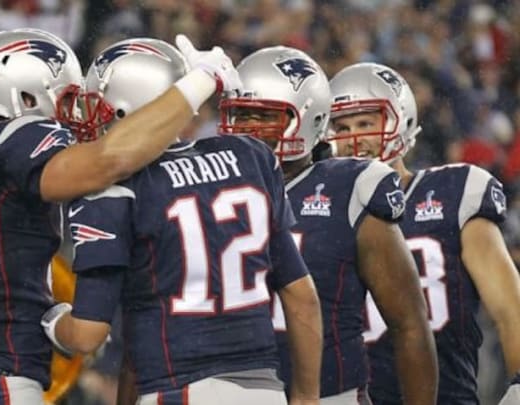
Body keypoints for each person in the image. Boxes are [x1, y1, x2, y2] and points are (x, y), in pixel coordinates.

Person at [0, 27, 243, 405]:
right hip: (0, 387)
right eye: (66, 101)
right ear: (27, 96)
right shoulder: (22, 140)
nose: (74, 115)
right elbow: (111, 159)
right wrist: (201, 81)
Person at [41, 36, 323, 405]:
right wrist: (306, 398)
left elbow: (86, 336)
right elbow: (302, 298)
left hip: (178, 389)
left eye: (97, 107)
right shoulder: (249, 156)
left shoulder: (113, 190)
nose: (88, 121)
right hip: (262, 389)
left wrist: (49, 315)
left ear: (127, 110)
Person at [218, 47, 438, 404]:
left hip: (330, 394)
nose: (247, 129)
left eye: (263, 116)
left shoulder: (350, 188)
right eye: (240, 115)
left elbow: (409, 324)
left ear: (308, 118)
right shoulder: (209, 186)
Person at [328, 62, 520, 405]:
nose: (352, 139)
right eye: (341, 127)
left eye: (365, 123)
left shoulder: (453, 192)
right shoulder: (317, 209)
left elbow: (510, 309)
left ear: (400, 121)